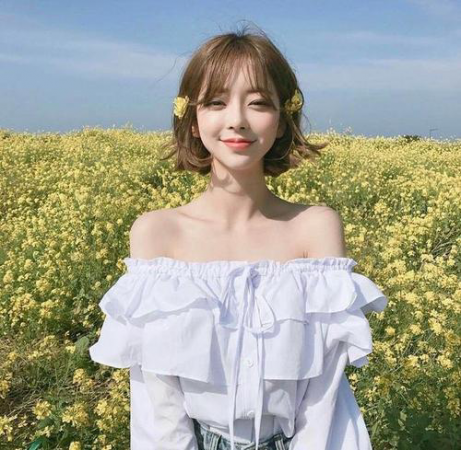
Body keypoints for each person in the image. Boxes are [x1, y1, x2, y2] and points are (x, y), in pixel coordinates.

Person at [89, 24, 388, 450]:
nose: (237, 120)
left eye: (259, 103)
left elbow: (324, 398)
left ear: (282, 121)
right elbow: (159, 405)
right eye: (216, 102)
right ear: (193, 120)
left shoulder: (316, 228)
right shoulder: (157, 233)